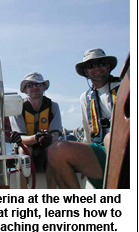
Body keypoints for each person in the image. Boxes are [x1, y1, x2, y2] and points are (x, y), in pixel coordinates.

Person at [48, 48, 120, 189]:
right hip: (102, 151)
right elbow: (88, 133)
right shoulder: (85, 98)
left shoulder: (126, 86)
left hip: (126, 149)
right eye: (91, 66)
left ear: (108, 66)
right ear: (86, 72)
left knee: (109, 138)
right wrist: (82, 159)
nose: (97, 68)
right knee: (54, 150)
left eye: (101, 63)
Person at [10, 72, 62, 189]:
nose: (35, 88)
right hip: (26, 145)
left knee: (53, 151)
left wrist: (48, 138)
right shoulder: (19, 108)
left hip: (47, 145)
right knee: (25, 152)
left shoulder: (53, 106)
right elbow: (20, 138)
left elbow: (55, 134)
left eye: (38, 85)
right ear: (25, 89)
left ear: (44, 87)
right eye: (30, 85)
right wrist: (36, 138)